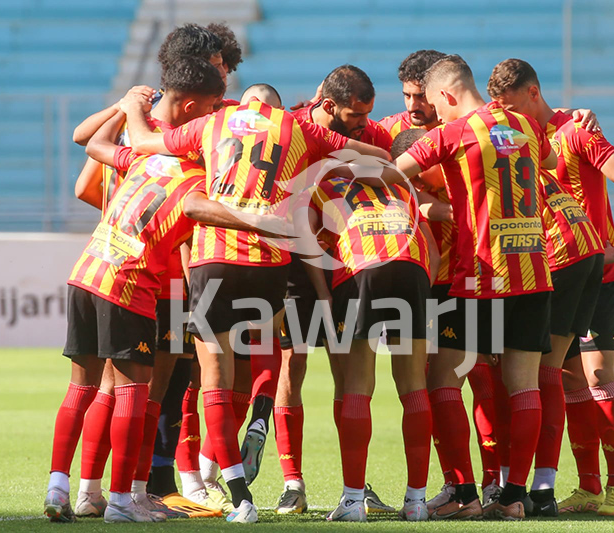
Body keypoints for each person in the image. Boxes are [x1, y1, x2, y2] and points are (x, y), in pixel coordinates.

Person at [119, 82, 388, 523]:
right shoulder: (296, 127)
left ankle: (234, 493)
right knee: (276, 359)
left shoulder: (212, 123)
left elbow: (146, 142)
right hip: (270, 264)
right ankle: (263, 423)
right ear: (276, 107)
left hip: (216, 258)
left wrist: (131, 107)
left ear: (243, 102)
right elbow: (364, 153)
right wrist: (390, 177)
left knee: (213, 380)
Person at [364, 54, 557, 521]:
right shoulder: (523, 125)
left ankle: (465, 492)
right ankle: (513, 497)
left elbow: (392, 173)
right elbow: (549, 159)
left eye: (435, 103)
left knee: (441, 376)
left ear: (447, 97)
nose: (436, 112)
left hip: (480, 275)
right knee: (523, 385)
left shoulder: (451, 134)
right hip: (534, 269)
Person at [43, 59, 224, 524]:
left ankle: (77, 488)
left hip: (96, 264)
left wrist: (124, 107)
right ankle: (130, 495)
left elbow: (85, 167)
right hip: (150, 279)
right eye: (209, 106)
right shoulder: (187, 151)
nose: (214, 113)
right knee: (142, 393)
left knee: (95, 386)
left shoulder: (136, 131)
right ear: (191, 102)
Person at [487, 58, 614, 517]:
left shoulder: (576, 129)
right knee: (566, 380)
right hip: (549, 275)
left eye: (514, 104)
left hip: (596, 272)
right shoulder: (515, 139)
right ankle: (589, 487)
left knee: (598, 376)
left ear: (533, 93)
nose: (509, 114)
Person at [270, 64, 397, 515]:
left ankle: (355, 486)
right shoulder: (291, 131)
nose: (365, 124)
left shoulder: (373, 136)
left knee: (352, 372)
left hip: (350, 267)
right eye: (356, 115)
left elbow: (410, 144)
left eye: (368, 114)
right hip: (294, 266)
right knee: (293, 365)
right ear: (329, 107)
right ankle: (292, 482)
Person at [305, 166, 439, 522]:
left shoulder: (323, 186)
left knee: (357, 384)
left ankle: (352, 501)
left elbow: (308, 242)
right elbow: (434, 253)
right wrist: (423, 291)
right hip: (412, 267)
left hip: (361, 267)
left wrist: (324, 294)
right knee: (413, 385)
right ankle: (417, 502)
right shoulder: (401, 187)